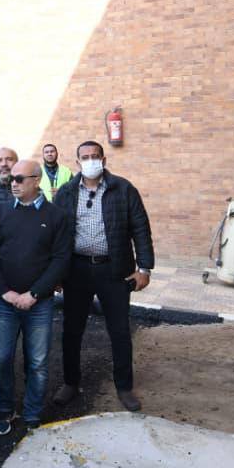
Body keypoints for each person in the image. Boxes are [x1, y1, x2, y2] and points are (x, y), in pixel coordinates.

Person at [52, 140, 155, 413]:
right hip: (76, 270)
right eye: (85, 157)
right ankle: (70, 383)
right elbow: (55, 234)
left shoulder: (123, 189)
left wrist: (144, 268)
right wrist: (55, 273)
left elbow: (141, 228)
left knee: (119, 331)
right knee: (72, 330)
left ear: (104, 160)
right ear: (77, 163)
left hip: (114, 270)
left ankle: (124, 387)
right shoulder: (65, 192)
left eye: (95, 156)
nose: (90, 161)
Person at [0, 159, 71, 434]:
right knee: (2, 358)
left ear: (36, 180)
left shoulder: (56, 216)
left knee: (38, 362)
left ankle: (32, 413)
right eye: (11, 178)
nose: (14, 183)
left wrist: (35, 294)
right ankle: (5, 408)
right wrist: (5, 292)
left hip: (39, 303)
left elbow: (60, 259)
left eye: (20, 179)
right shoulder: (1, 212)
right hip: (5, 302)